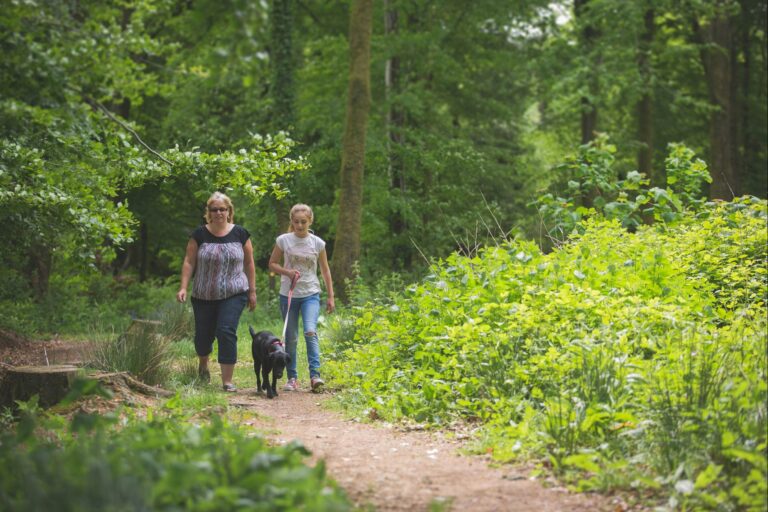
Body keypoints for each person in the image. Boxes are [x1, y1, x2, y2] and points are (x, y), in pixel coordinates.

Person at [176, 192, 257, 392]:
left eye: (223, 209)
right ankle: (203, 364)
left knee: (226, 331)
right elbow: (189, 261)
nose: (219, 212)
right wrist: (184, 286)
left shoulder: (240, 233)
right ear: (208, 213)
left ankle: (227, 380)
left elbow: (249, 263)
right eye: (215, 210)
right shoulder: (199, 234)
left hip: (235, 291)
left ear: (229, 211)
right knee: (203, 337)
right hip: (203, 294)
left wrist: (252, 291)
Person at [268, 203, 335, 392]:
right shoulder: (283, 240)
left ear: (310, 221)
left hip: (310, 294)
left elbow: (325, 270)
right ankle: (292, 378)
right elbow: (272, 264)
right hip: (288, 295)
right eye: (296, 222)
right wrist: (287, 272)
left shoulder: (318, 243)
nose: (299, 225)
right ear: (292, 221)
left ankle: (315, 376)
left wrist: (331, 296)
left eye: (303, 222)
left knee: (310, 331)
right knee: (291, 337)